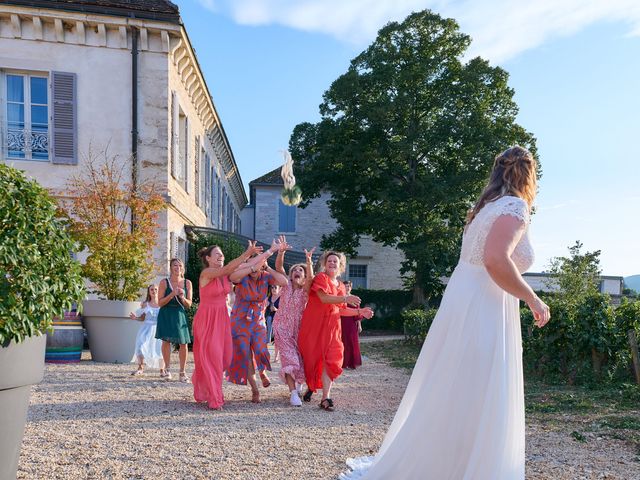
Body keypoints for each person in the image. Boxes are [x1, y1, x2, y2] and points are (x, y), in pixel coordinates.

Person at [340, 146, 551, 479]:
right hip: (485, 305)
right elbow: (496, 260)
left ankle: (450, 463)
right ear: (529, 174)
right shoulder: (515, 207)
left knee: (459, 385)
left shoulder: (484, 208)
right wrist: (533, 299)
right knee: (479, 388)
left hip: (466, 301)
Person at [191, 241, 263, 410]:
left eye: (222, 253)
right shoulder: (207, 273)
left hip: (222, 318)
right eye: (217, 254)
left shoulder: (227, 274)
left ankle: (209, 389)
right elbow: (227, 268)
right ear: (208, 258)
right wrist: (246, 253)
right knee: (213, 357)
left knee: (225, 357)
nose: (221, 256)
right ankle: (215, 398)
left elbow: (250, 265)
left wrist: (271, 251)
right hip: (208, 319)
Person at [298, 251, 374, 411]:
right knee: (313, 360)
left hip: (332, 327)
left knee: (332, 359)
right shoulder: (320, 278)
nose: (332, 263)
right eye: (329, 260)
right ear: (325, 264)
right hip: (315, 326)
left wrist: (360, 312)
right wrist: (346, 298)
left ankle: (326, 397)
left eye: (335, 261)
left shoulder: (340, 285)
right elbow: (324, 298)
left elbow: (341, 310)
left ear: (340, 266)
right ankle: (312, 386)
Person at [226, 240, 289, 403]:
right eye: (254, 261)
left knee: (261, 349)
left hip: (258, 320)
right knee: (245, 355)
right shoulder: (242, 276)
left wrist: (267, 267)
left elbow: (284, 282)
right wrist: (252, 266)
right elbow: (232, 276)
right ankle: (255, 389)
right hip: (240, 320)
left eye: (261, 262)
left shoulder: (266, 276)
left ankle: (262, 371)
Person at [272, 236, 315, 406]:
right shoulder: (285, 285)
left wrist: (308, 262)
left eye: (301, 270)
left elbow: (311, 279)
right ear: (291, 275)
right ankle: (293, 394)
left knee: (300, 361)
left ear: (303, 276)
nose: (297, 271)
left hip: (299, 329)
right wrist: (281, 252)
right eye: (295, 269)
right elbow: (278, 267)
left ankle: (296, 386)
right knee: (290, 360)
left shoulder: (305, 290)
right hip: (281, 326)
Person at [156, 258, 193, 382]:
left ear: (183, 268)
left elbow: (189, 304)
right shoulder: (164, 282)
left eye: (180, 265)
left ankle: (182, 372)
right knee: (166, 341)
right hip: (166, 313)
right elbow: (159, 303)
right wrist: (172, 294)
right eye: (175, 265)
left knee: (184, 343)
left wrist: (182, 297)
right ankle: (167, 369)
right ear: (171, 268)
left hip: (179, 313)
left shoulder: (187, 283)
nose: (177, 267)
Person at [129, 284, 163, 375]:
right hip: (146, 329)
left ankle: (162, 370)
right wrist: (135, 318)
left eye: (156, 289)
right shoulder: (145, 304)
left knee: (159, 348)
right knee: (140, 346)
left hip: (158, 329)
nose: (154, 291)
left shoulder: (162, 303)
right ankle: (140, 368)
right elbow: (142, 318)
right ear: (149, 291)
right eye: (152, 289)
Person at [340, 281, 364, 370]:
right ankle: (343, 362)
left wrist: (360, 325)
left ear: (351, 287)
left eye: (348, 286)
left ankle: (352, 363)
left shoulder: (355, 299)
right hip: (342, 323)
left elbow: (358, 312)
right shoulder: (340, 298)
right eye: (345, 286)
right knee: (343, 342)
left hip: (352, 324)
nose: (347, 288)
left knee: (352, 342)